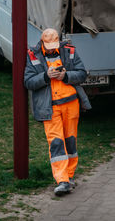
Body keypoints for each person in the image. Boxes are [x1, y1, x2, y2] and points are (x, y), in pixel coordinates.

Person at [24, 28, 91, 196]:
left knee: (70, 141)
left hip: (71, 104)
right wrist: (46, 76)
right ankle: (62, 180)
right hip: (50, 107)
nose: (52, 49)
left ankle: (68, 177)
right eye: (49, 46)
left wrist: (66, 76)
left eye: (54, 45)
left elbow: (82, 74)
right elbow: (28, 82)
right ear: (42, 42)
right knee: (56, 143)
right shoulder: (32, 55)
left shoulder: (69, 51)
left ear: (58, 41)